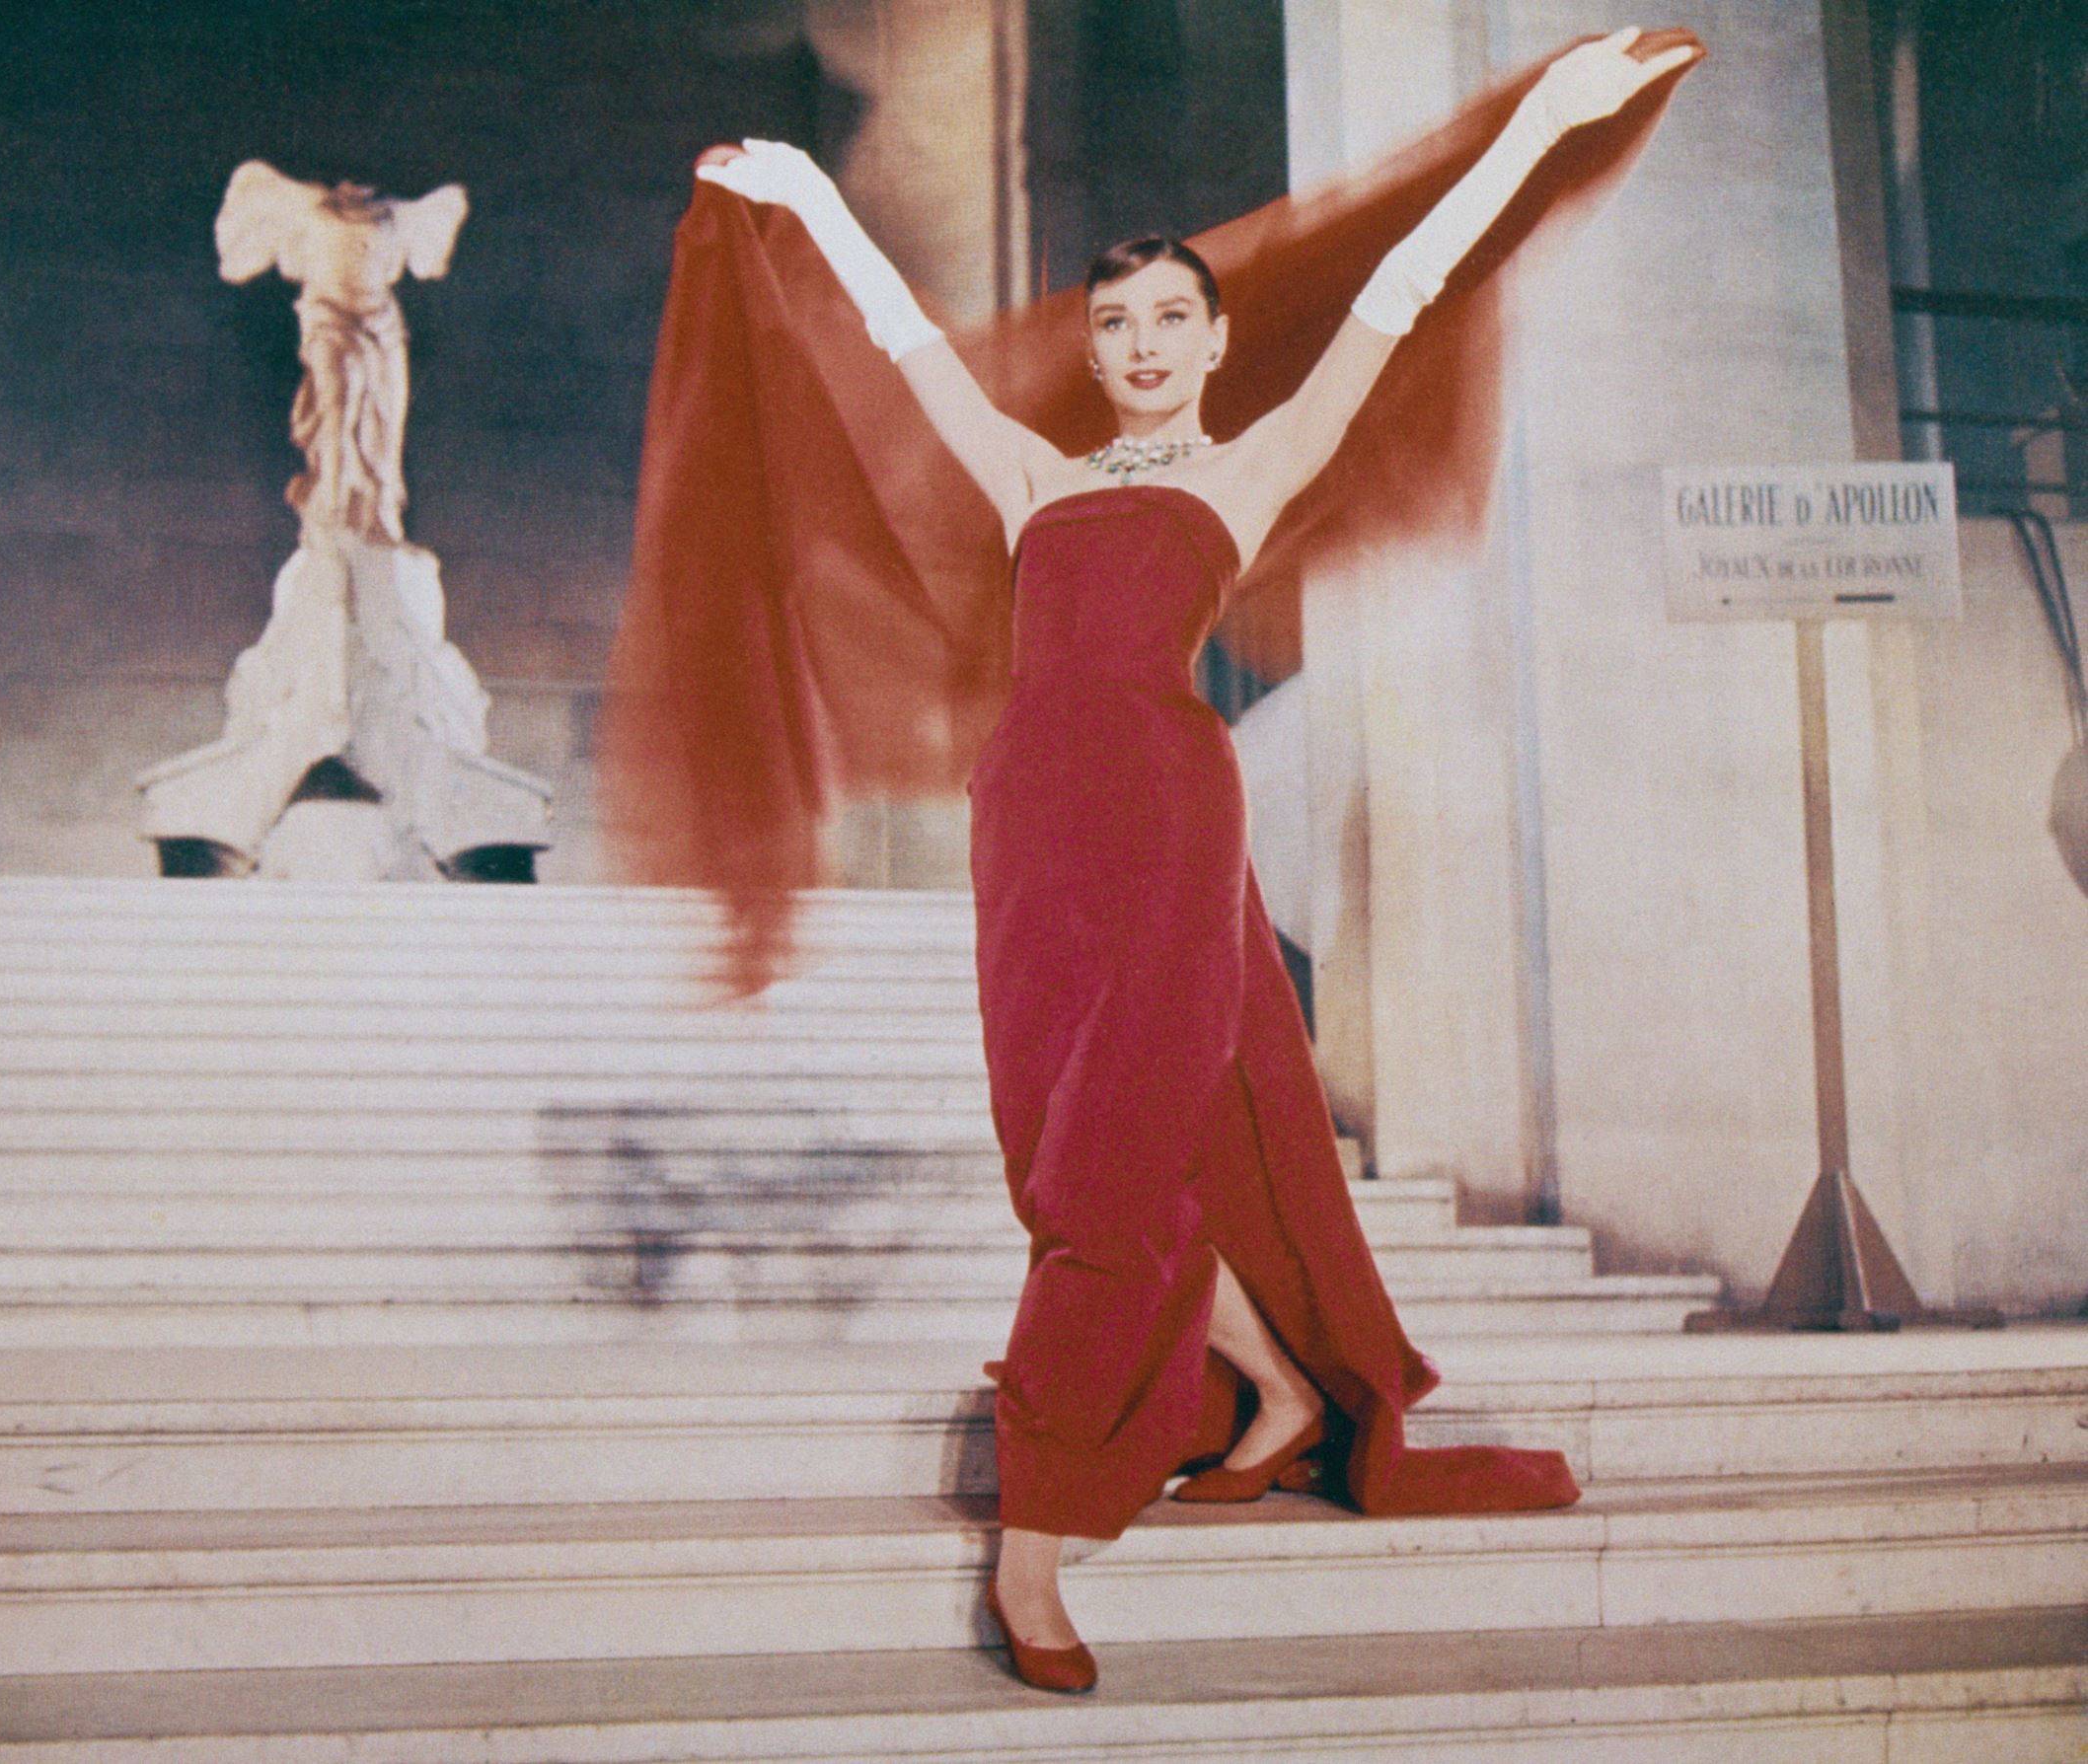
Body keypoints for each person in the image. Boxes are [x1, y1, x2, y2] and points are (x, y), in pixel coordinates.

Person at [615, 28, 1700, 1695]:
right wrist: (815, 198)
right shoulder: (1033, 477)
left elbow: (1399, 294)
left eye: (1167, 317)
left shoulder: (1250, 467)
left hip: (1169, 819)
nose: (1135, 342)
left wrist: (1540, 120)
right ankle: (1267, 1386)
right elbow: (901, 349)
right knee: (1070, 1158)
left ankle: (1033, 1551)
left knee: (1103, 1186)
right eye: (1113, 320)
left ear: (1209, 339)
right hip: (1026, 827)